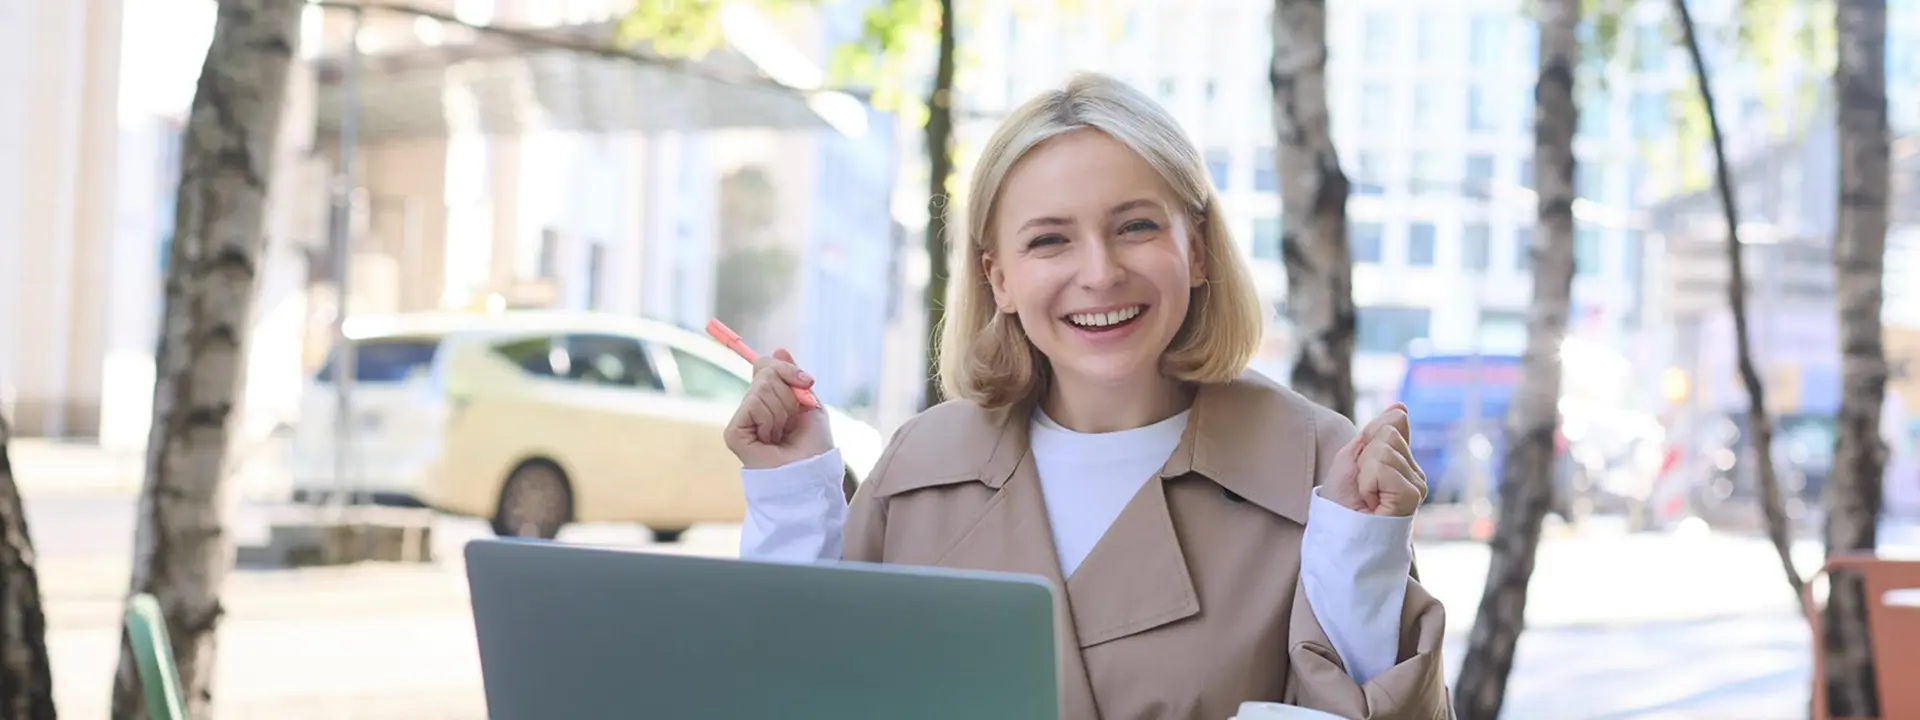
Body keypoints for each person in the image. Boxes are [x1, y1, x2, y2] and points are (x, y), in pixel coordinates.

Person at [724, 72, 1451, 720]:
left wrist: (1364, 555)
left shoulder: (1316, 469)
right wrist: (792, 496)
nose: (1100, 273)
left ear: (1197, 250)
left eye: (1135, 227)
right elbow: (804, 684)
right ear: (999, 280)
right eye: (1049, 241)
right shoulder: (921, 466)